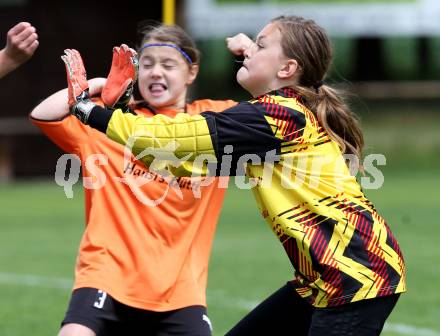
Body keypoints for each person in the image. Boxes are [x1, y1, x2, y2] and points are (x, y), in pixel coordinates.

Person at [65, 15, 407, 335]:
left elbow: (177, 139)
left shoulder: (277, 115)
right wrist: (122, 109)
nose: (247, 49)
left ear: (288, 68)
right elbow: (178, 159)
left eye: (260, 45)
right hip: (326, 279)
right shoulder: (277, 115)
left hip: (357, 274)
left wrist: (87, 108)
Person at [30, 23, 236, 336]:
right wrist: (101, 85)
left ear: (191, 73)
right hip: (105, 276)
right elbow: (45, 114)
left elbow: (274, 111)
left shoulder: (212, 121)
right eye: (147, 64)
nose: (156, 73)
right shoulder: (109, 121)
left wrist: (250, 53)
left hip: (180, 291)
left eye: (168, 65)